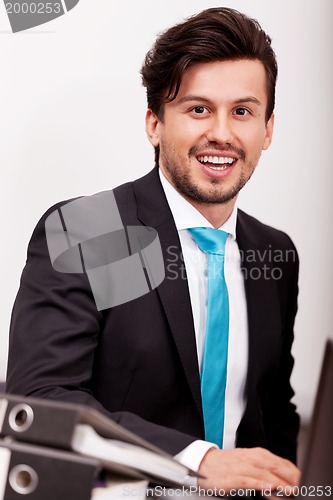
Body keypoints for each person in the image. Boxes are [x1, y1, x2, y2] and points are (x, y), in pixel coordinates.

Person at [6, 7, 301, 494]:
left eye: (243, 111)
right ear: (154, 124)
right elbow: (42, 401)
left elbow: (274, 411)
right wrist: (197, 461)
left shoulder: (275, 253)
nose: (222, 134)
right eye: (198, 109)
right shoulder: (89, 231)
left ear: (268, 129)